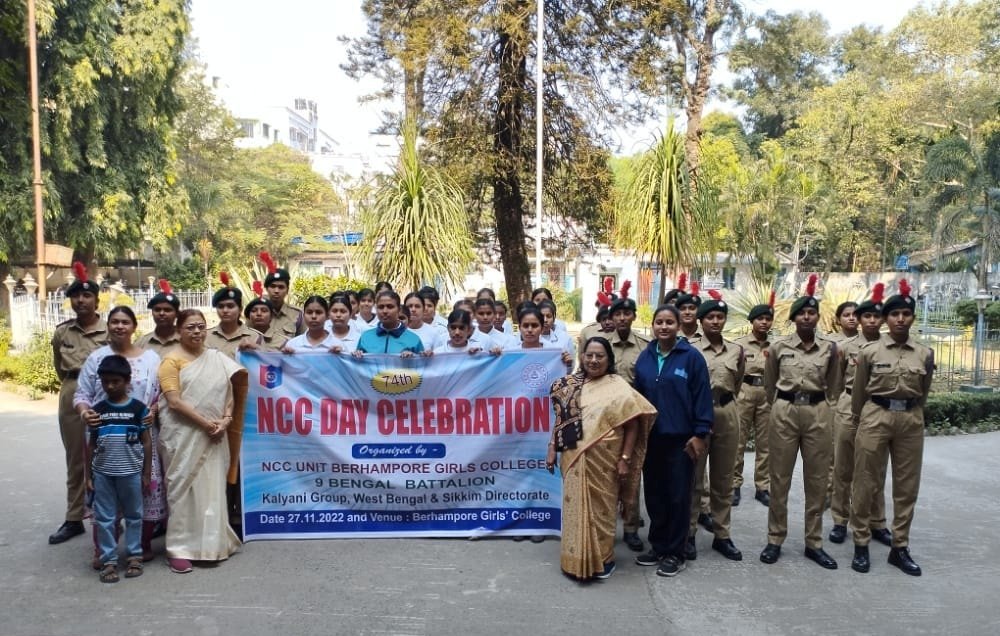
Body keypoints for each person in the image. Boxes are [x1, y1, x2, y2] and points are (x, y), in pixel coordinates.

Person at [546, 337, 656, 581]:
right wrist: (552, 446)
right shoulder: (570, 385)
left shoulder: (619, 386)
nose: (594, 360)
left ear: (609, 359)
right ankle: (573, 560)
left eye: (600, 356)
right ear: (582, 357)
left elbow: (633, 425)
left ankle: (604, 560)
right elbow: (561, 420)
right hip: (574, 458)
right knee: (575, 508)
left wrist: (625, 458)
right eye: (589, 355)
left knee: (604, 511)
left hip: (606, 460)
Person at [849, 280, 933, 576]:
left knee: (906, 486)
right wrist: (862, 418)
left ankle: (900, 546)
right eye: (894, 314)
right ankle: (861, 541)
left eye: (905, 314)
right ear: (885, 319)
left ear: (912, 318)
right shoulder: (870, 352)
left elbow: (923, 392)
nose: (900, 319)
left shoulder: (924, 354)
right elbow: (859, 393)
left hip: (910, 419)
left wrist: (912, 412)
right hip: (875, 415)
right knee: (865, 481)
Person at [760, 274, 842, 570]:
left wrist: (822, 408)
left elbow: (834, 385)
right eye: (802, 313)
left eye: (812, 312)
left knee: (817, 479)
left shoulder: (831, 349)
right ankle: (775, 538)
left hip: (817, 412)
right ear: (794, 318)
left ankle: (814, 542)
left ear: (818, 317)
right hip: (784, 411)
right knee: (779, 478)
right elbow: (770, 384)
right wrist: (780, 405)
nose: (807, 317)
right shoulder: (780, 348)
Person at [157, 309, 247, 573]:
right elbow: (173, 402)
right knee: (183, 491)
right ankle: (178, 549)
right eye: (190, 327)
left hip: (215, 435)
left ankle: (212, 544)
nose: (196, 332)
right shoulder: (170, 361)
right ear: (178, 331)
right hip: (184, 435)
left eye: (200, 326)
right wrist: (207, 424)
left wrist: (226, 420)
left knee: (212, 490)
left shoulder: (217, 358)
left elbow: (230, 393)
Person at [74, 306, 165, 565]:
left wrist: (153, 411)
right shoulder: (96, 358)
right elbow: (82, 394)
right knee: (103, 494)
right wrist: (84, 413)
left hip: (140, 435)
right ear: (108, 325)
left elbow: (161, 394)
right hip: (104, 435)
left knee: (144, 491)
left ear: (134, 326)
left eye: (125, 322)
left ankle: (141, 546)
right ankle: (103, 550)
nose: (119, 326)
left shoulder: (150, 359)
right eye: (114, 321)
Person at [632, 304, 713, 578]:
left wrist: (700, 434)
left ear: (678, 326)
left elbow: (702, 397)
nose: (663, 327)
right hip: (652, 439)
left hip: (682, 440)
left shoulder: (691, 358)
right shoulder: (645, 357)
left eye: (669, 322)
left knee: (678, 497)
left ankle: (675, 553)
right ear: (653, 326)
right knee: (655, 496)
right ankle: (658, 546)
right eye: (659, 322)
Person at [49, 262, 109, 545]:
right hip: (73, 392)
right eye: (76, 296)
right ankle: (74, 518)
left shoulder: (111, 330)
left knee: (112, 455)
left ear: (97, 300)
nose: (81, 300)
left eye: (86, 296)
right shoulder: (63, 332)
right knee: (76, 459)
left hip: (108, 391)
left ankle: (114, 517)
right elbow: (59, 368)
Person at [829, 284, 890, 547]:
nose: (871, 320)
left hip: (878, 409)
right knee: (843, 467)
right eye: (867, 316)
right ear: (861, 320)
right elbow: (835, 381)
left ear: (882, 319)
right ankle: (840, 520)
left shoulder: (890, 347)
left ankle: (876, 522)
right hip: (848, 407)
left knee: (875, 470)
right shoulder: (844, 347)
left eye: (877, 316)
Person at [686, 290, 745, 562]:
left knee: (724, 479)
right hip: (698, 414)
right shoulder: (689, 349)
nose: (715, 321)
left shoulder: (736, 350)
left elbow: (739, 381)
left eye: (720, 317)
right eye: (710, 317)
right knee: (694, 479)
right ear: (700, 320)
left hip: (727, 412)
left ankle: (723, 535)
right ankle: (688, 534)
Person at [83, 355, 152, 583]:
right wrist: (88, 476)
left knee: (134, 516)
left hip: (131, 474)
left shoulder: (138, 410)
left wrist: (146, 473)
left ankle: (134, 556)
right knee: (104, 518)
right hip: (103, 475)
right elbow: (91, 445)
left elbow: (147, 442)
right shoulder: (98, 410)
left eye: (116, 381)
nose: (110, 386)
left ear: (128, 381)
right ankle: (109, 560)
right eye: (106, 382)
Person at [604, 296, 650, 552]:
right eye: (617, 314)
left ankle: (631, 528)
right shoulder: (600, 344)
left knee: (631, 473)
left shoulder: (644, 346)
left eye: (627, 313)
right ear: (611, 318)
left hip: (634, 416)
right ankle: (606, 526)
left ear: (633, 316)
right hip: (607, 418)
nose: (622, 318)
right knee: (607, 472)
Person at [734, 292, 775, 508]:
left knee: (765, 442)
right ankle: (734, 484)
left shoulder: (776, 347)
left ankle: (763, 487)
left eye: (768, 319)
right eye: (760, 319)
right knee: (739, 440)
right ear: (752, 321)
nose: (764, 322)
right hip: (745, 391)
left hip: (767, 394)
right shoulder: (739, 345)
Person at [205, 272, 264, 359]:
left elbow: (263, 366)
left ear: (240, 309)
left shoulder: (255, 337)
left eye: (230, 306)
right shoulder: (206, 336)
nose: (225, 310)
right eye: (220, 306)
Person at [355, 291, 424, 356]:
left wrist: (412, 359)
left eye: (390, 307)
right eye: (381, 307)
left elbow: (423, 366)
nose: (385, 311)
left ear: (399, 309)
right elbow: (356, 366)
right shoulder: (366, 337)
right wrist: (356, 355)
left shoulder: (414, 339)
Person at [259, 251, 304, 338]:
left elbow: (303, 341)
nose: (276, 291)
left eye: (281, 287)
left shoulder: (297, 314)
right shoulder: (256, 311)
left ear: (287, 290)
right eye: (273, 286)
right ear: (266, 289)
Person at [136, 279, 181, 357]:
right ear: (152, 313)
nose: (161, 313)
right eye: (157, 310)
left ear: (177, 314)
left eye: (167, 310)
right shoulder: (141, 343)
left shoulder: (186, 341)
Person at [243, 282, 288, 352]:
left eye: (264, 311)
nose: (258, 314)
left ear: (271, 316)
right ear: (248, 316)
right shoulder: (242, 339)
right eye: (254, 311)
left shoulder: (283, 342)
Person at [434, 309, 500, 354]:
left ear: (469, 330)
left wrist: (495, 355)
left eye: (461, 328)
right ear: (448, 328)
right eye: (453, 328)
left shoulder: (478, 353)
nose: (457, 332)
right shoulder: (438, 353)